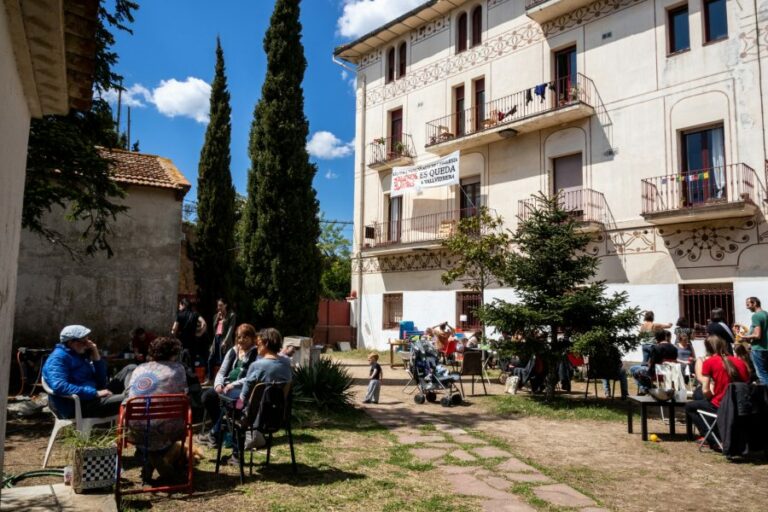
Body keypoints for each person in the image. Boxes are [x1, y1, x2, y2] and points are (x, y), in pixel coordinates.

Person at [125, 336, 188, 481]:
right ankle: (157, 460)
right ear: (173, 354)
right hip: (169, 429)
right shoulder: (178, 369)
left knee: (149, 423)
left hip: (135, 428)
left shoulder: (140, 368)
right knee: (175, 416)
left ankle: (150, 459)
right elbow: (185, 394)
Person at [43, 325, 133, 419]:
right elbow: (59, 386)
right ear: (70, 342)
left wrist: (96, 355)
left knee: (131, 368)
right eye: (84, 341)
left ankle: (130, 393)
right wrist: (95, 393)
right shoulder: (58, 358)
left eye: (88, 340)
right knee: (132, 400)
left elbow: (100, 381)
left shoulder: (79, 355)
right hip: (77, 405)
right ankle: (130, 398)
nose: (88, 344)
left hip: (91, 395)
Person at [234, 328, 293, 460]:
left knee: (231, 411)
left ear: (266, 344)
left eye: (259, 344)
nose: (256, 347)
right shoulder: (286, 365)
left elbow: (243, 396)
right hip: (279, 416)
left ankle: (236, 455)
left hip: (254, 418)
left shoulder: (256, 366)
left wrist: (235, 407)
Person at [198, 324, 259, 448]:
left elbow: (251, 377)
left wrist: (233, 384)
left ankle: (215, 433)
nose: (241, 340)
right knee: (207, 397)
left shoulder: (256, 353)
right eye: (239, 337)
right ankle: (220, 431)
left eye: (245, 337)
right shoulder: (233, 351)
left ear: (252, 338)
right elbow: (221, 371)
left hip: (241, 390)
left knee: (228, 403)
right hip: (225, 387)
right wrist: (218, 384)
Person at [685, 335, 749, 450]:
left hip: (722, 405)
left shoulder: (710, 362)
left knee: (690, 406)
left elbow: (705, 390)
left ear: (707, 348)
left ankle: (714, 440)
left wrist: (711, 397)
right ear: (724, 345)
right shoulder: (740, 363)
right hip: (741, 406)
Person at [630, 329, 677, 395]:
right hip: (669, 374)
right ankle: (647, 388)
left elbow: (651, 364)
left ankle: (647, 388)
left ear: (656, 338)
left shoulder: (656, 348)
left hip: (656, 374)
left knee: (635, 372)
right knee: (633, 368)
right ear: (665, 337)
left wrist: (647, 364)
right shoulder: (674, 348)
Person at [206, 298, 237, 385]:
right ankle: (210, 379)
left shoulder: (231, 315)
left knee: (224, 360)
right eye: (218, 305)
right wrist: (218, 319)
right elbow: (214, 328)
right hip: (216, 338)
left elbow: (231, 330)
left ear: (225, 305)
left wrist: (226, 341)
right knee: (210, 359)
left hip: (224, 339)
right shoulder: (216, 316)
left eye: (220, 305)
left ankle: (224, 380)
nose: (218, 307)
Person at [739, 296, 768, 385]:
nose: (747, 307)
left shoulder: (756, 316)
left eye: (748, 304)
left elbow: (757, 335)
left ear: (754, 303)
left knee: (761, 374)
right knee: (765, 372)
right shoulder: (765, 313)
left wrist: (743, 337)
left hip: (758, 348)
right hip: (765, 347)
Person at [171, 298, 207, 368]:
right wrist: (199, 334)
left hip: (182, 342)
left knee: (181, 360)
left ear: (183, 305)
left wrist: (174, 336)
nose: (179, 307)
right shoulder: (195, 314)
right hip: (193, 342)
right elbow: (204, 324)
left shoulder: (180, 315)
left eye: (180, 306)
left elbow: (174, 329)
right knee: (191, 361)